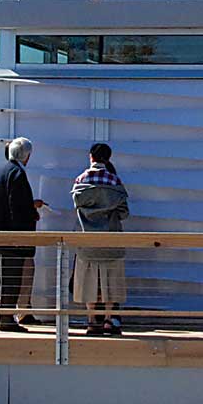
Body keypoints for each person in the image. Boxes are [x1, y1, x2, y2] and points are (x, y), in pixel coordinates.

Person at [71, 143, 129, 336]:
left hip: (87, 240)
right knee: (110, 281)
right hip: (110, 239)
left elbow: (77, 208)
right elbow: (124, 212)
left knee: (89, 282)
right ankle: (108, 320)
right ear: (108, 158)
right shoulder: (114, 181)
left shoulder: (80, 180)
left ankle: (91, 321)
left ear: (91, 157)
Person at [0, 137, 46, 332]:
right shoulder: (18, 174)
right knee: (13, 277)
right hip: (14, 235)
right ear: (27, 156)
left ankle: (6, 316)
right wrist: (32, 214)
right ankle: (6, 318)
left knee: (6, 276)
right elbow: (18, 208)